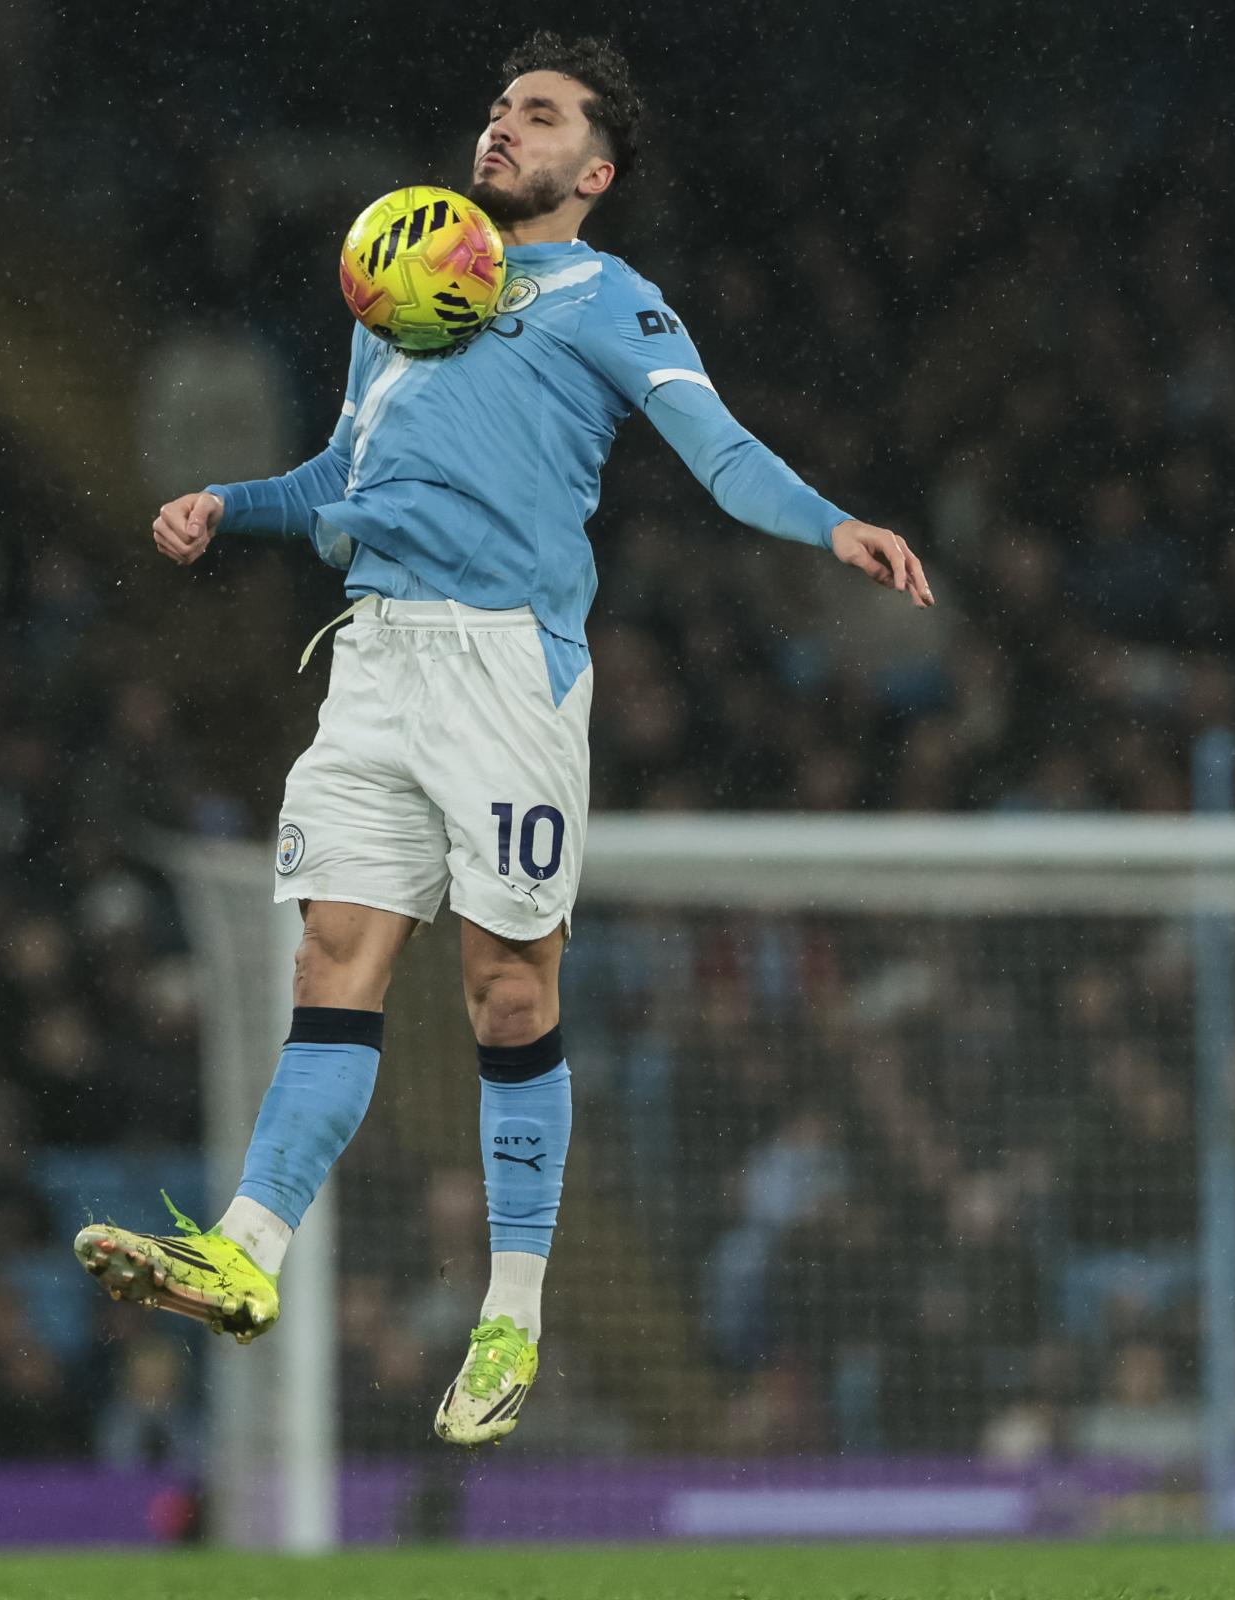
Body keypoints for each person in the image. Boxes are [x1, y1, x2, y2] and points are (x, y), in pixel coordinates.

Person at [75, 30, 933, 1447]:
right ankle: (244, 1255)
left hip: (502, 675)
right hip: (373, 663)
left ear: (592, 170)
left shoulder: (609, 300)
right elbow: (345, 479)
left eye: (537, 118)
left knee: (507, 999)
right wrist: (232, 504)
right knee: (332, 967)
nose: (501, 130)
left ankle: (510, 1317)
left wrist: (828, 520)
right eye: (495, 108)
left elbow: (716, 449)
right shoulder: (395, 281)